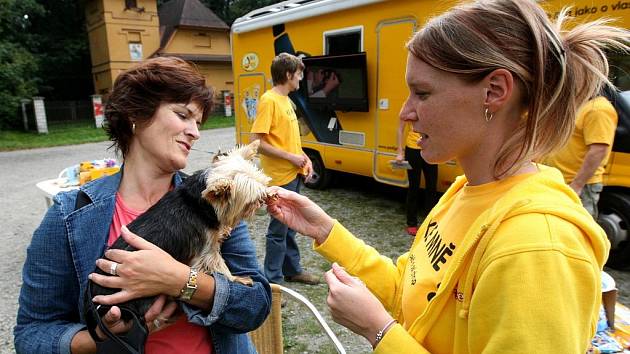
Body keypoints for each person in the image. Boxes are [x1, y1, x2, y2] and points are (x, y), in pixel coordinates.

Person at [265, 1, 628, 352]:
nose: (406, 113)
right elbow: (411, 293)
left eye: (422, 93)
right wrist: (328, 232)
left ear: (495, 91)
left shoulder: (537, 247)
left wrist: (380, 333)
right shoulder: (465, 191)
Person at [14, 57, 271, 354]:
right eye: (183, 115)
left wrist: (180, 281)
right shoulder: (69, 215)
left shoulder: (213, 202)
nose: (195, 132)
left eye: (198, 123)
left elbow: (256, 305)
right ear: (136, 113)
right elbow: (31, 335)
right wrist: (102, 340)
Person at [251, 52, 320, 285]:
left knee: (290, 226)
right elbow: (257, 142)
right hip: (279, 178)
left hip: (293, 174)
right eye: (299, 74)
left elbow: (290, 140)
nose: (300, 79)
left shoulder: (287, 100)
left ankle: (292, 270)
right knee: (278, 231)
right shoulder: (268, 100)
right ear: (289, 74)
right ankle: (273, 281)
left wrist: (304, 159)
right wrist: (291, 157)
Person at [544, 95, 618, 218]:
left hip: (578, 185)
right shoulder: (577, 104)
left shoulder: (598, 109)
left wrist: (577, 185)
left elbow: (599, 150)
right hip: (560, 180)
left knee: (575, 228)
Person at [396, 120, 438, 236]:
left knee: (432, 186)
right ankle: (412, 223)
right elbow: (400, 129)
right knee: (414, 186)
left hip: (430, 149)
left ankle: (429, 222)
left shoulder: (432, 103)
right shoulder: (409, 104)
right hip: (413, 149)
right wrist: (400, 152)